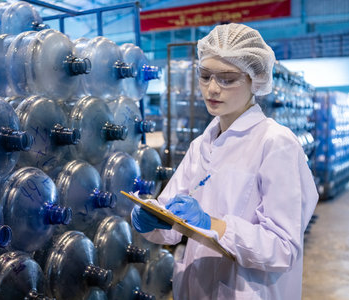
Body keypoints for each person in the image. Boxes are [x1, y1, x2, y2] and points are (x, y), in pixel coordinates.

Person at [131, 23, 318, 299]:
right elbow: (172, 220)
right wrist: (153, 219)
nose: (212, 88)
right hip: (196, 288)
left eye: (227, 79)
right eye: (205, 76)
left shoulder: (276, 143)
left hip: (248, 290)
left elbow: (283, 247)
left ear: (255, 79)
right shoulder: (201, 145)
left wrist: (213, 225)